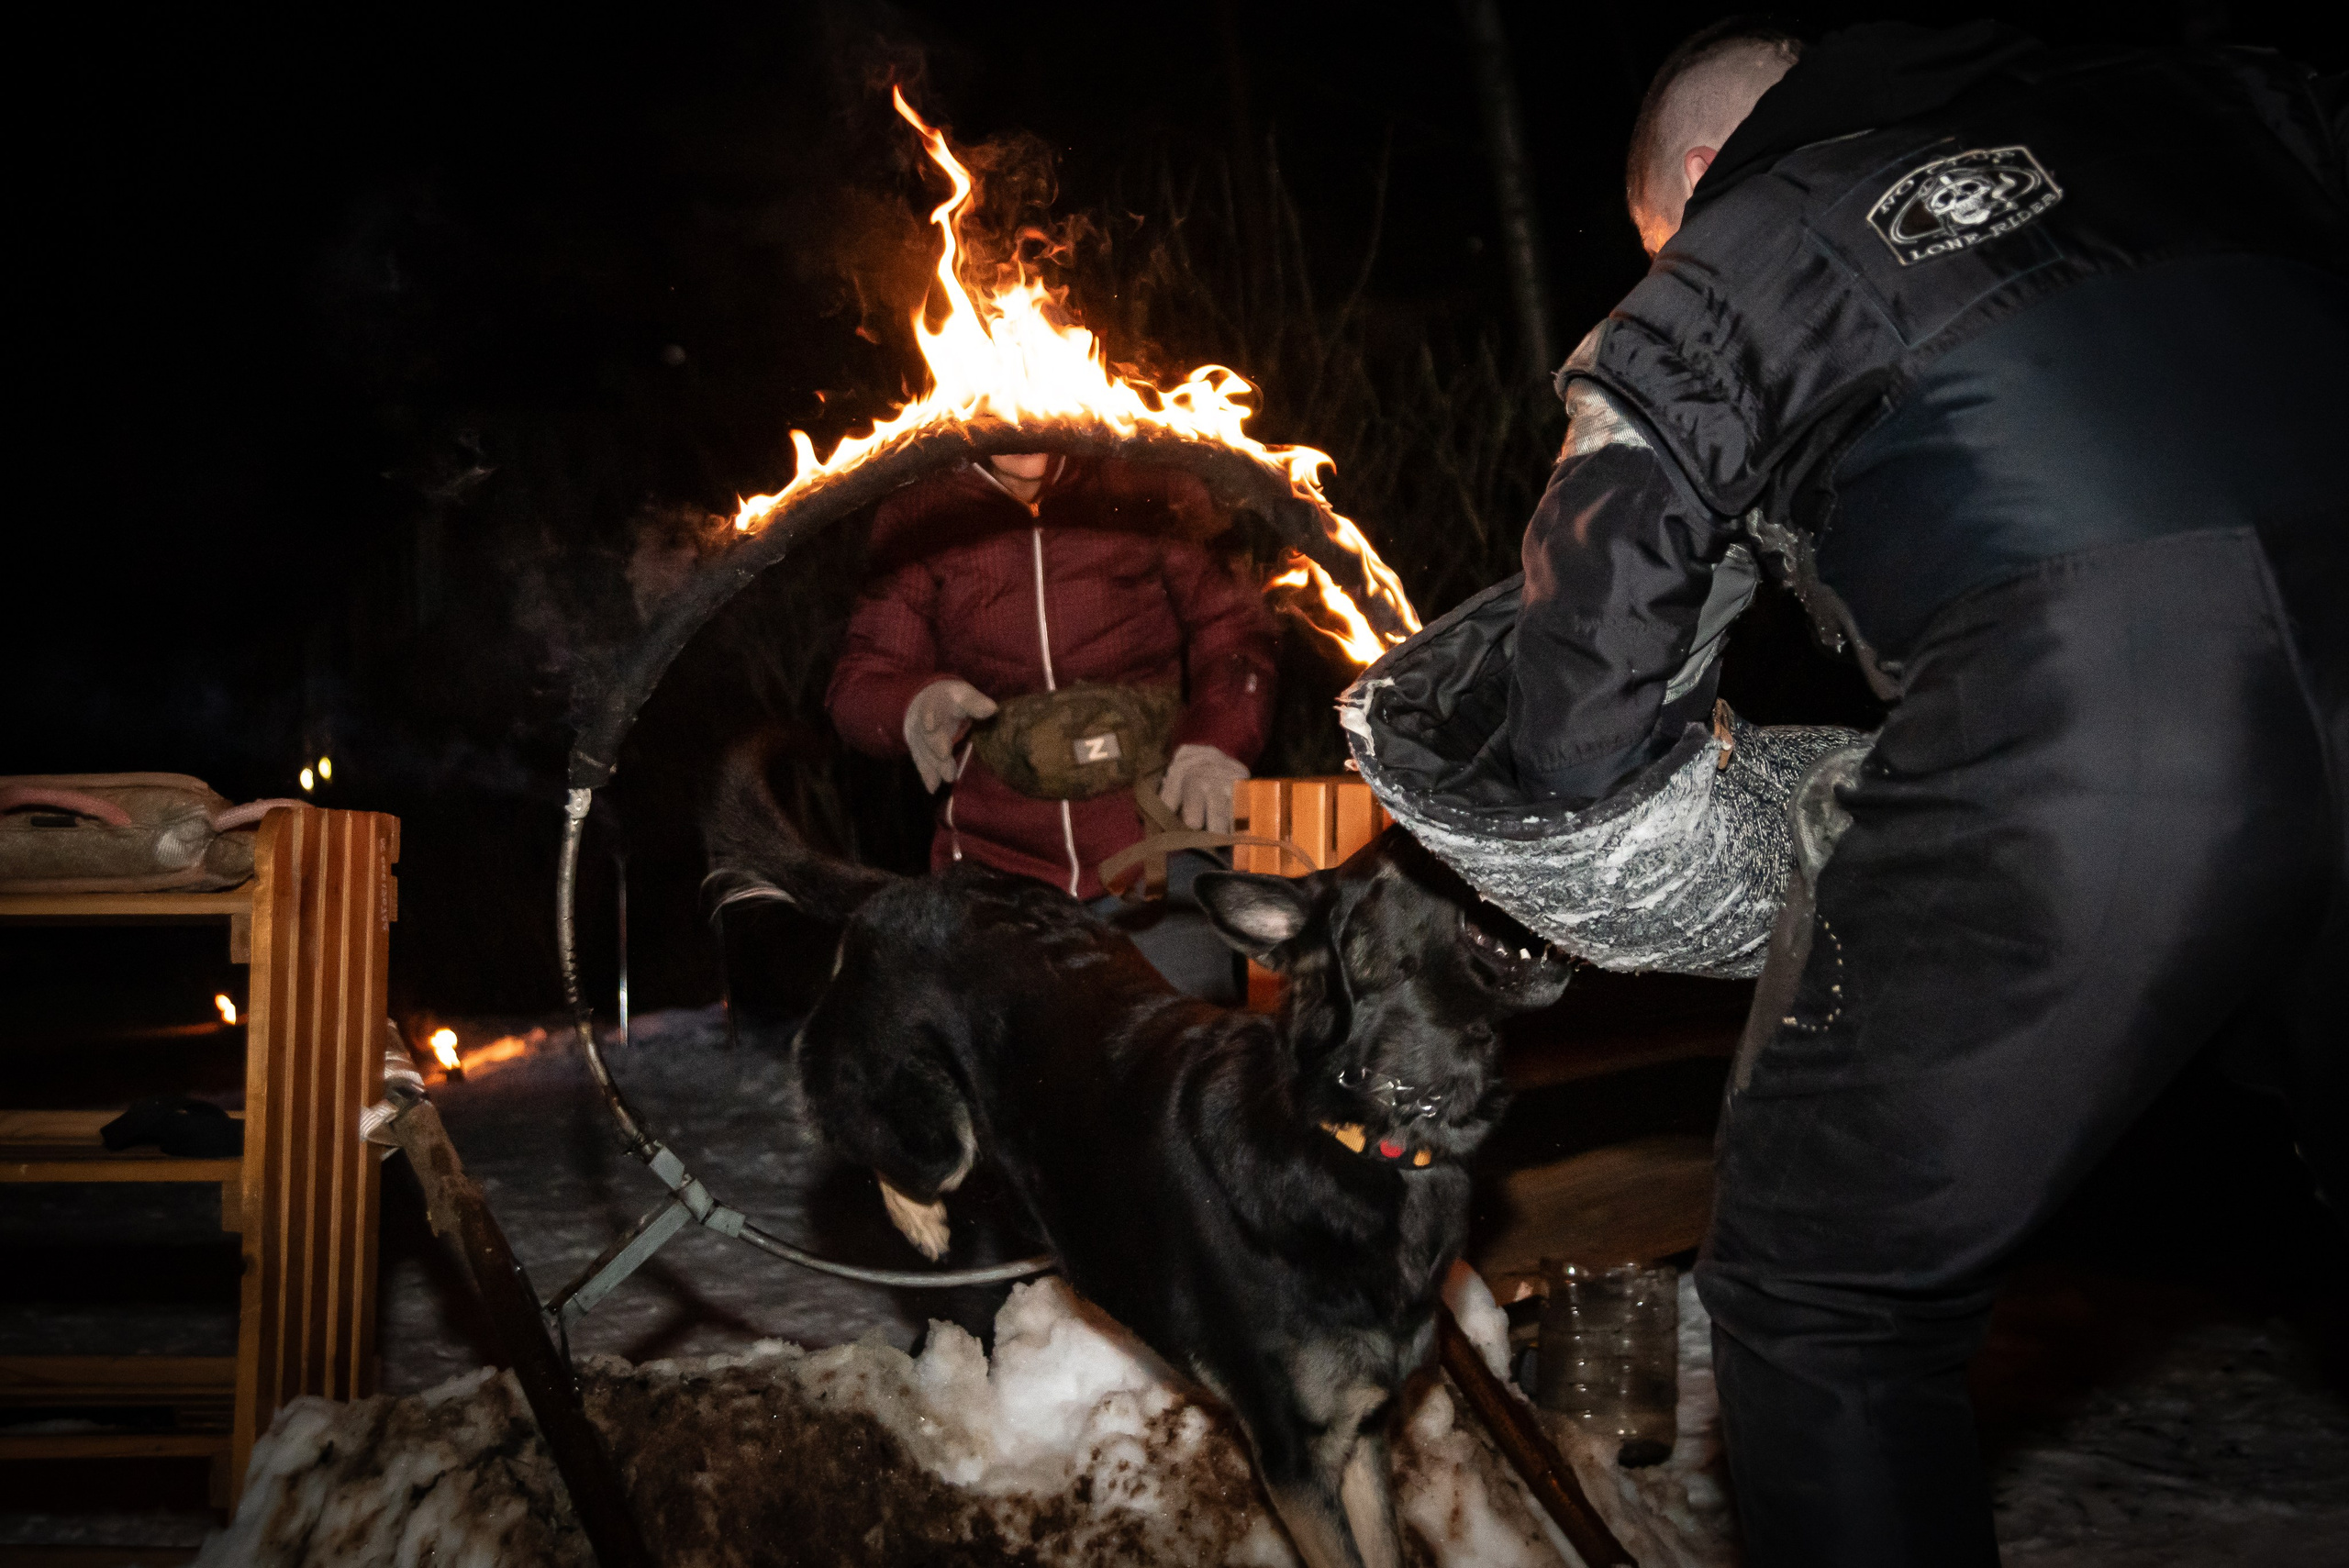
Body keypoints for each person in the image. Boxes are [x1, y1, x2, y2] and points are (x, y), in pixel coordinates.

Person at [1503, 19, 2346, 1564]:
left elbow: (1594, 626)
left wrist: (1556, 789)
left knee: (1821, 1296)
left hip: (2112, 700)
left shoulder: (1743, 235)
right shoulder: (2177, 105)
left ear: (1692, 180)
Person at [828, 450, 1276, 1002]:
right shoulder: (923, 509)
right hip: (993, 870)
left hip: (1153, 848)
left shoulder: (1151, 480)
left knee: (1179, 1046)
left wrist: (1217, 743)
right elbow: (864, 678)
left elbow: (1235, 633)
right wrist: (913, 706)